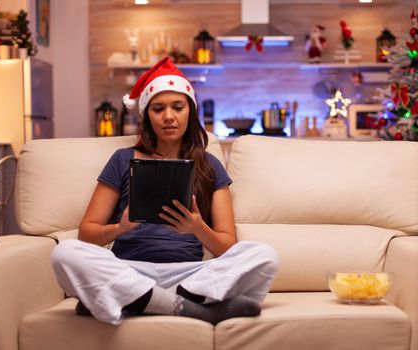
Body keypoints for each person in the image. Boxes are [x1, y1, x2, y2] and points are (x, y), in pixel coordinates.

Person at [51, 57, 279, 326]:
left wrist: (197, 228)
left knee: (264, 255)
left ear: (190, 112)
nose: (168, 116)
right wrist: (119, 229)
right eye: (158, 108)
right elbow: (86, 234)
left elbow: (228, 247)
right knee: (64, 253)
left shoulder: (209, 166)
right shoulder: (122, 160)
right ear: (147, 115)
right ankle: (193, 309)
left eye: (178, 107)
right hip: (129, 270)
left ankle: (133, 301)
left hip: (190, 277)